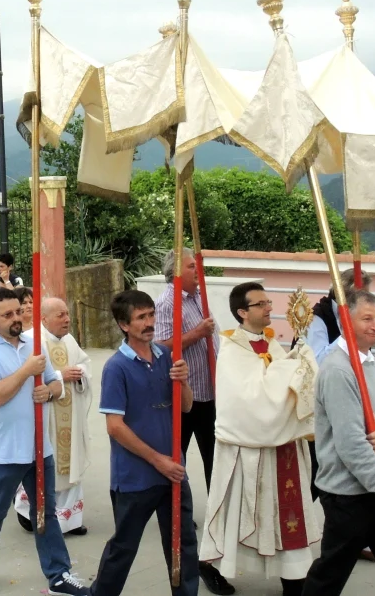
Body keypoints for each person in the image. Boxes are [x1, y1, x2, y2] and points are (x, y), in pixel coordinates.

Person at [0, 287, 89, 596]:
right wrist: (26, 371)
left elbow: (56, 385)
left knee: (45, 512)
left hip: (39, 447)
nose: (16, 318)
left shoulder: (33, 344)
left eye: (18, 311)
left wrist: (49, 391)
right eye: (7, 314)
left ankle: (58, 574)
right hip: (5, 449)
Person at [199, 283, 320, 596]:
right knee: (236, 515)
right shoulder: (231, 351)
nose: (269, 307)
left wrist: (298, 361)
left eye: (268, 301)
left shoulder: (270, 342)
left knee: (287, 515)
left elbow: (280, 380)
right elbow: (252, 398)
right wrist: (291, 369)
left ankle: (294, 577)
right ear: (242, 312)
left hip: (283, 446)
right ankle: (210, 565)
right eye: (261, 303)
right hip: (247, 451)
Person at [301, 290, 375, 596]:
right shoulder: (338, 370)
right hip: (349, 496)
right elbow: (352, 447)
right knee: (329, 576)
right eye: (367, 318)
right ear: (345, 321)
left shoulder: (373, 364)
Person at [88, 289, 197, 596]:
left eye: (151, 315)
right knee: (124, 546)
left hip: (173, 470)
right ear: (124, 325)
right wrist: (157, 460)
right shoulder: (116, 367)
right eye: (141, 317)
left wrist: (183, 381)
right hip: (135, 477)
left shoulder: (166, 356)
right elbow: (115, 427)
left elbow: (186, 406)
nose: (149, 323)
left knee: (183, 545)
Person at [155, 248, 229, 594]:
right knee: (176, 461)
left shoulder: (200, 297)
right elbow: (161, 346)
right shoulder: (166, 303)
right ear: (176, 272)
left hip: (211, 393)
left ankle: (217, 520)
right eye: (190, 266)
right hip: (184, 398)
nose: (197, 270)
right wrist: (197, 333)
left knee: (217, 461)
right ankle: (173, 515)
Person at [14, 297, 93, 536]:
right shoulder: (31, 341)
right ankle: (28, 512)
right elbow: (23, 376)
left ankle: (69, 520)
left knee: (70, 463)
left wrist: (80, 373)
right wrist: (60, 375)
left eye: (67, 314)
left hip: (70, 415)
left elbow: (85, 363)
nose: (67, 319)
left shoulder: (69, 340)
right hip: (45, 417)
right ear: (44, 319)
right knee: (42, 464)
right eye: (60, 315)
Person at [304, 268, 370, 364]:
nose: (366, 303)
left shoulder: (358, 317)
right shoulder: (318, 317)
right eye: (363, 297)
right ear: (345, 294)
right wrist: (347, 334)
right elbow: (317, 361)